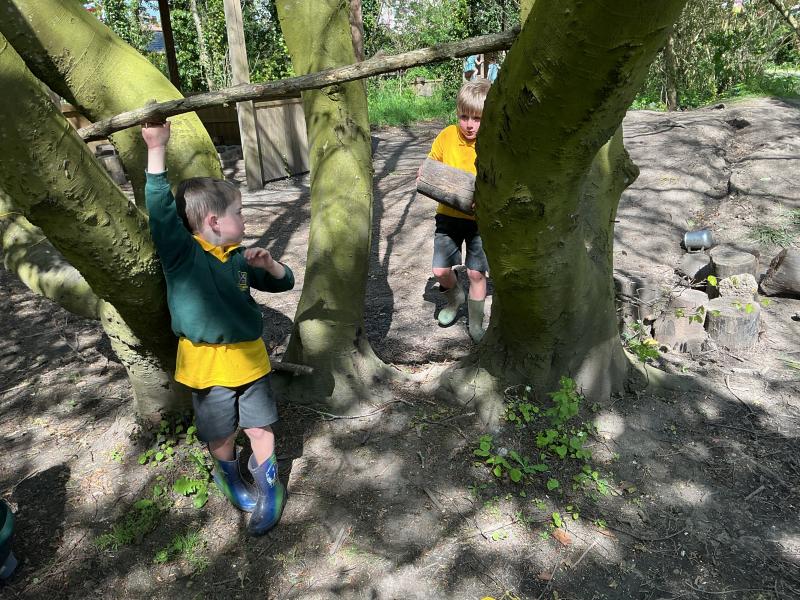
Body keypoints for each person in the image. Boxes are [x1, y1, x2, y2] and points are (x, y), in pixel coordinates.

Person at [142, 121, 294, 536]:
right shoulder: (183, 256)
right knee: (221, 434)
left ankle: (269, 487)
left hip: (251, 362)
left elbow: (284, 283)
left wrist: (271, 266)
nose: (244, 219)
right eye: (238, 213)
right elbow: (159, 208)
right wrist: (156, 147)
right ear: (213, 221)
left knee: (260, 427)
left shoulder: (240, 258)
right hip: (207, 368)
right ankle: (228, 477)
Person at [424, 78, 491, 342]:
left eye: (477, 118)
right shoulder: (447, 136)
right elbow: (430, 166)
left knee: (476, 273)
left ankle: (475, 323)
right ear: (457, 114)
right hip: (448, 216)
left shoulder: (492, 143)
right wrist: (424, 172)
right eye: (464, 117)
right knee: (440, 271)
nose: (470, 125)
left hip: (479, 221)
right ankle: (455, 299)